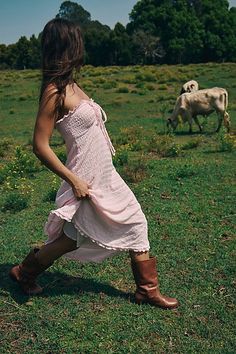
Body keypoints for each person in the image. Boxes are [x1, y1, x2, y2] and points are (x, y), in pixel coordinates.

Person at [9, 18, 179, 309]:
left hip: (105, 174)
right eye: (77, 39)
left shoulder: (72, 84)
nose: (81, 45)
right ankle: (24, 273)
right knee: (71, 240)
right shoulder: (55, 91)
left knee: (129, 223)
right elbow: (40, 146)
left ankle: (146, 291)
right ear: (66, 45)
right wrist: (73, 180)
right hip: (86, 180)